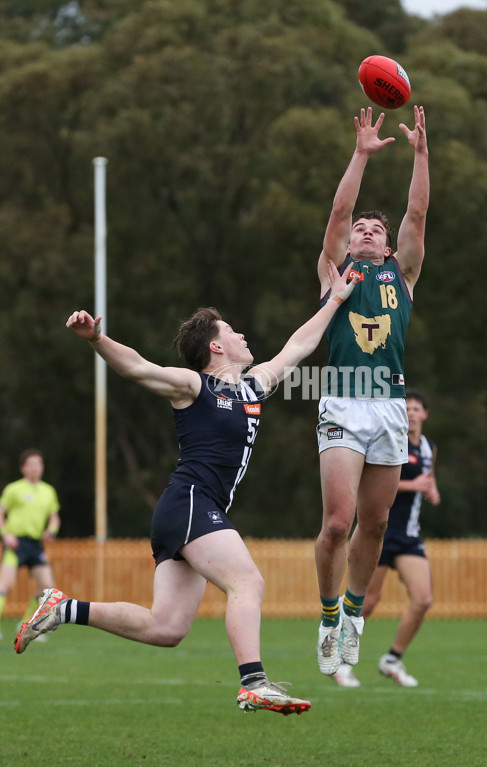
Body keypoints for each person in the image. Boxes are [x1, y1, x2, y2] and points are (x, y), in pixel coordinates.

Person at [15, 260, 358, 717]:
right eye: (233, 331)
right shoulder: (194, 385)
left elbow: (300, 344)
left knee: (167, 627)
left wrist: (337, 298)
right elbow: (138, 368)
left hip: (192, 510)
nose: (243, 337)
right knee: (247, 582)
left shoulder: (254, 386)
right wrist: (97, 339)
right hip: (190, 502)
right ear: (216, 345)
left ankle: (62, 608)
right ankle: (254, 682)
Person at [315, 105, 429, 676]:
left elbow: (416, 212)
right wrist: (360, 152)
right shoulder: (336, 272)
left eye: (375, 229)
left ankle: (355, 614)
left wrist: (421, 156)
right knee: (338, 523)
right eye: (362, 226)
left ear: (388, 249)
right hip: (340, 397)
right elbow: (338, 210)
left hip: (386, 406)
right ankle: (330, 612)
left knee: (376, 523)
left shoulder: (400, 277)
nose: (366, 229)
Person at [333, 389, 440, 688]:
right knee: (367, 601)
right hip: (379, 531)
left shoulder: (429, 447)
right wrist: (414, 485)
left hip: (408, 535)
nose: (412, 413)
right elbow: (374, 484)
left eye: (418, 408)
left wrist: (431, 489)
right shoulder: (390, 439)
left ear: (425, 415)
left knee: (423, 599)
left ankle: (392, 659)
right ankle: (339, 660)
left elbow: (426, 479)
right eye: (407, 407)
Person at [0, 449, 61, 642]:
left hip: (36, 544)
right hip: (16, 543)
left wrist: (51, 530)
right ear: (23, 468)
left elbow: (54, 518)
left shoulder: (48, 491)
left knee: (48, 587)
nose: (36, 468)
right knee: (5, 585)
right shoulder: (13, 489)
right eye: (32, 464)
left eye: (39, 464)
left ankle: (26, 623)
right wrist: (5, 535)